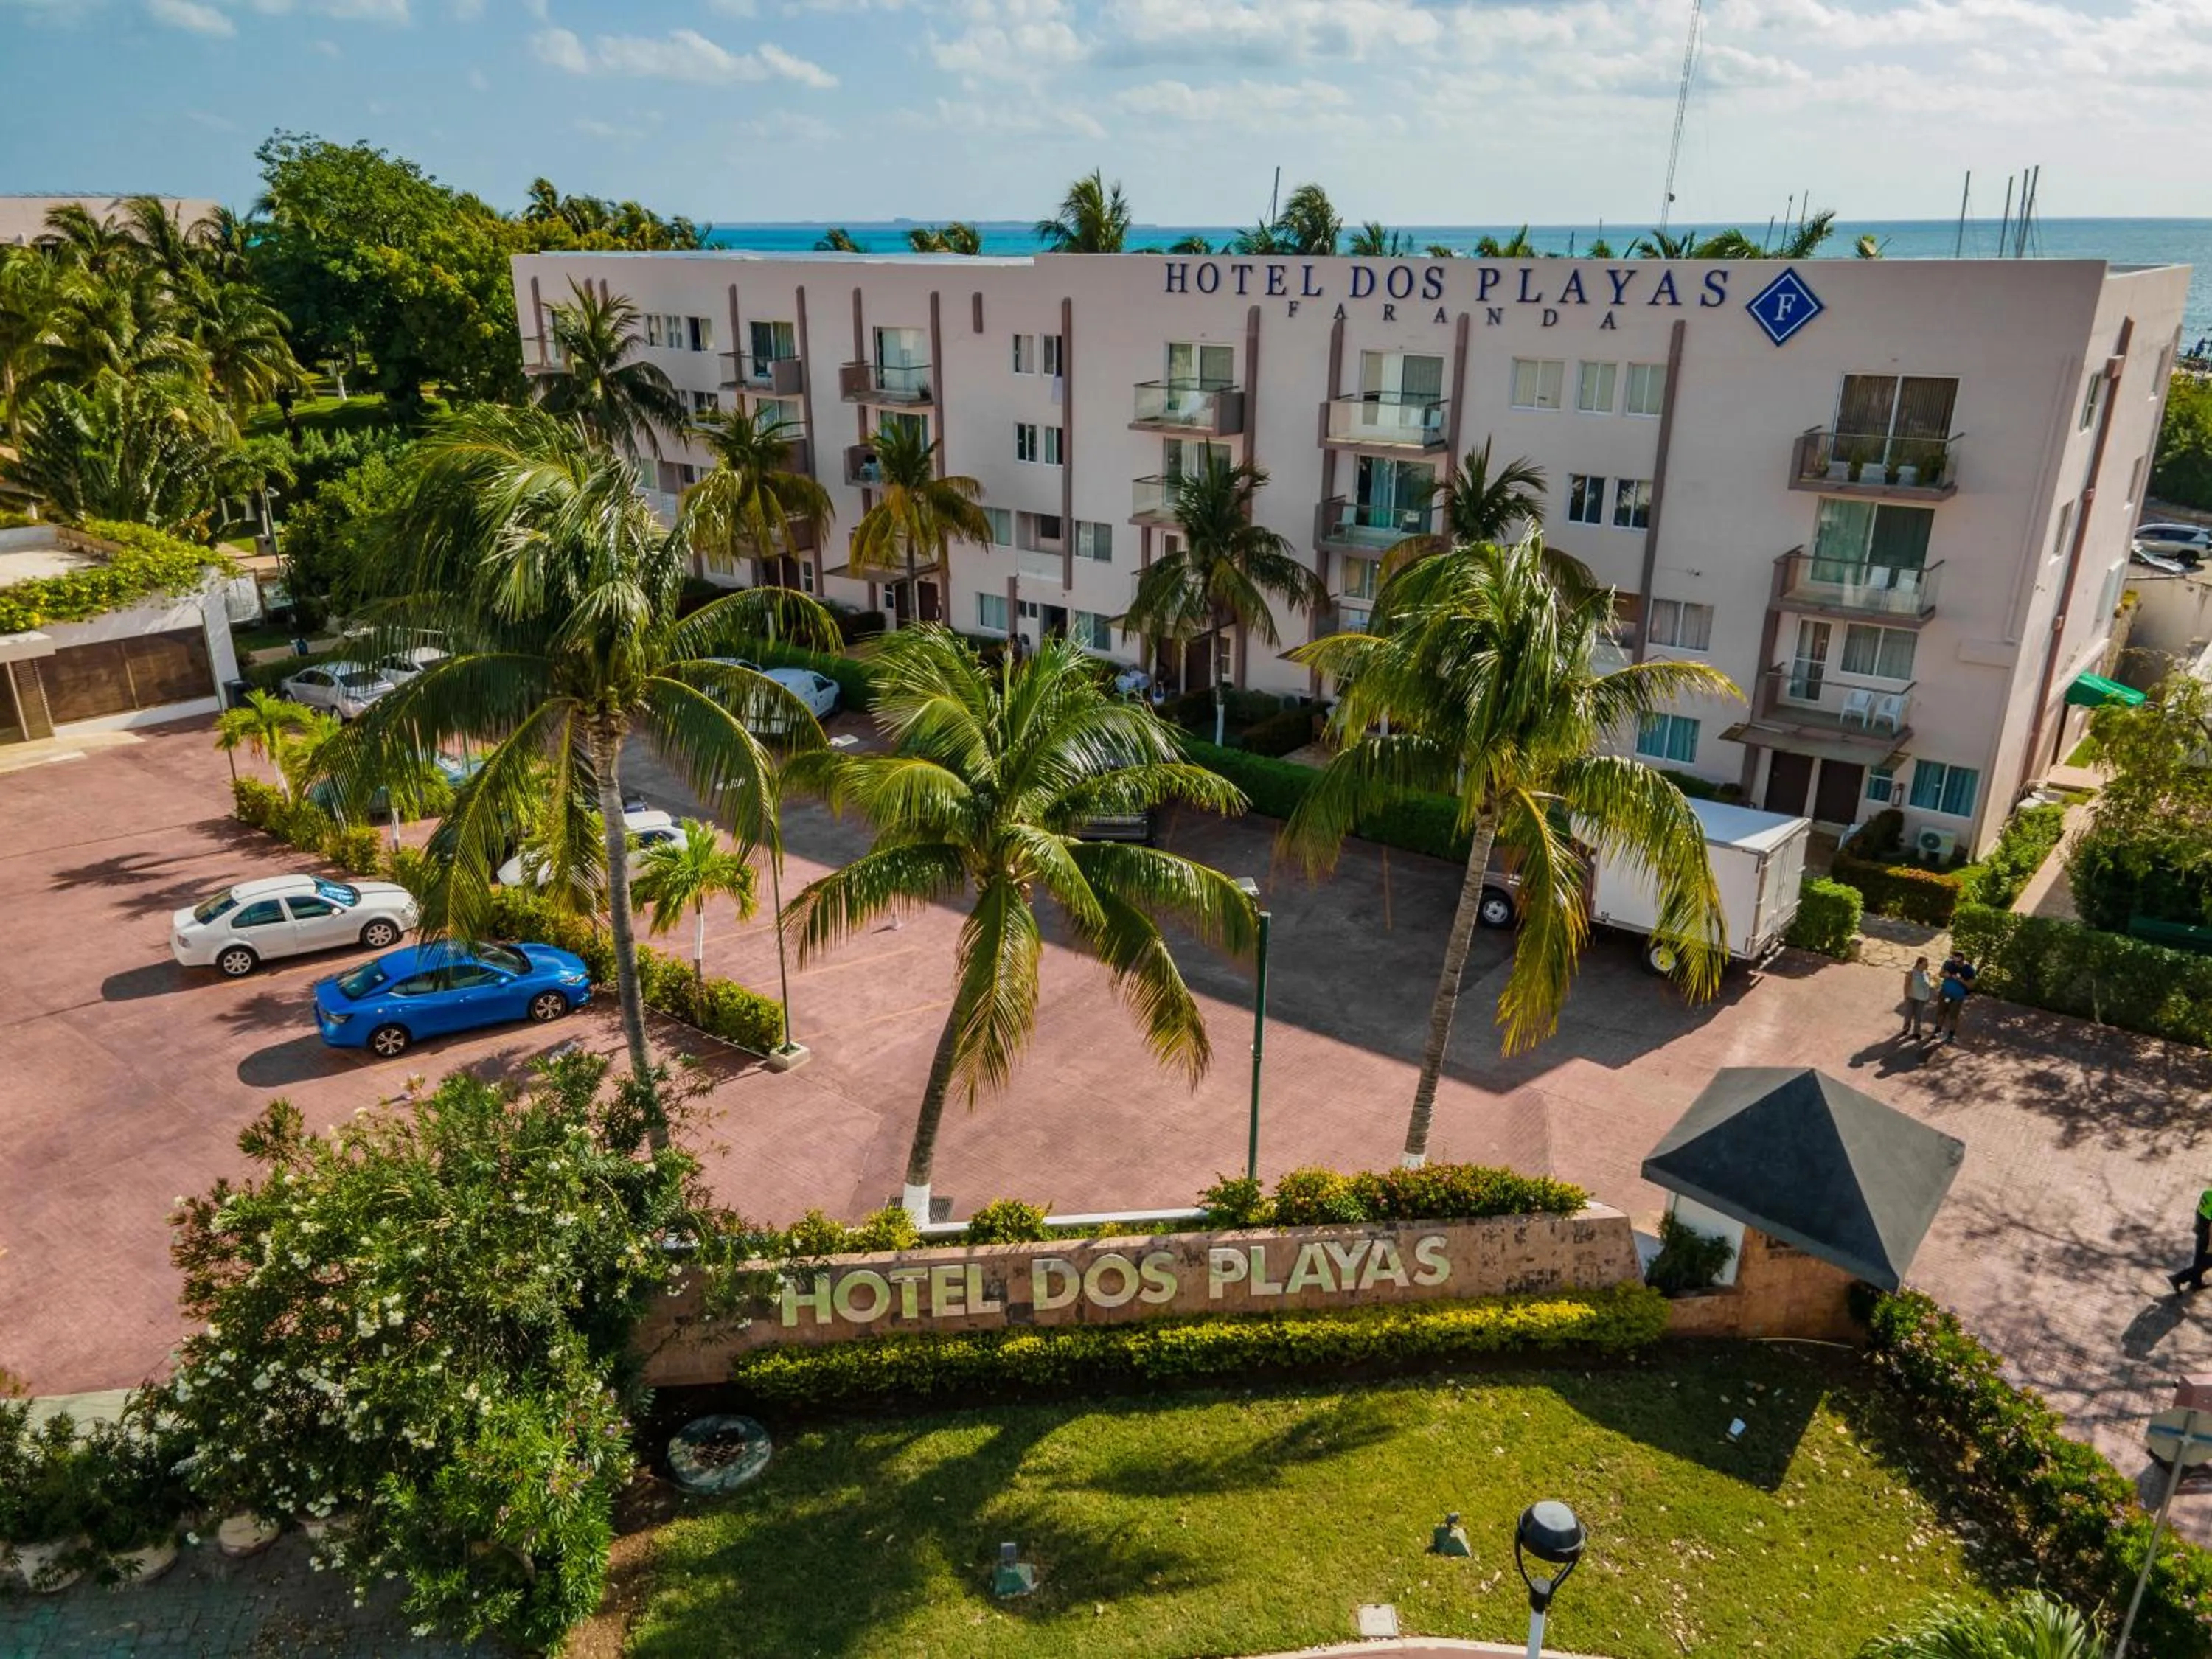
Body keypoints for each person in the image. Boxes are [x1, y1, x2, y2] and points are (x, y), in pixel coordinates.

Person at [2173, 1187, 2212, 1293]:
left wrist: (2197, 1225)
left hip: (2201, 1225)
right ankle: (2179, 1278)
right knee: (2208, 1260)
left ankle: (2195, 1282)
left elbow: (2199, 1210)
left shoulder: (2208, 1192)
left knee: (2200, 1256)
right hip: (2208, 1232)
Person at [1934, 950, 1976, 1043]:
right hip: (1944, 993)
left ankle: (1951, 1035)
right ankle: (1937, 1031)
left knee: (1953, 1017)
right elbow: (1941, 974)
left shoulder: (1969, 970)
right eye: (1954, 960)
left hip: (1957, 997)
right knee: (1941, 1013)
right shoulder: (1948, 963)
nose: (1955, 962)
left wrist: (1961, 980)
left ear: (1962, 959)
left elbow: (1971, 985)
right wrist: (1945, 975)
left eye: (1958, 961)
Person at [1902, 954, 1935, 1037]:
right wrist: (1906, 996)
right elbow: (1906, 985)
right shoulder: (1911, 973)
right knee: (1909, 1015)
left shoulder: (1927, 974)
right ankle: (1906, 1029)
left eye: (1927, 964)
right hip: (1912, 997)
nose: (1927, 966)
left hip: (1922, 999)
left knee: (1918, 1016)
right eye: (1925, 964)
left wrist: (1927, 997)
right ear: (1919, 964)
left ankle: (1916, 1032)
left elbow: (1927, 987)